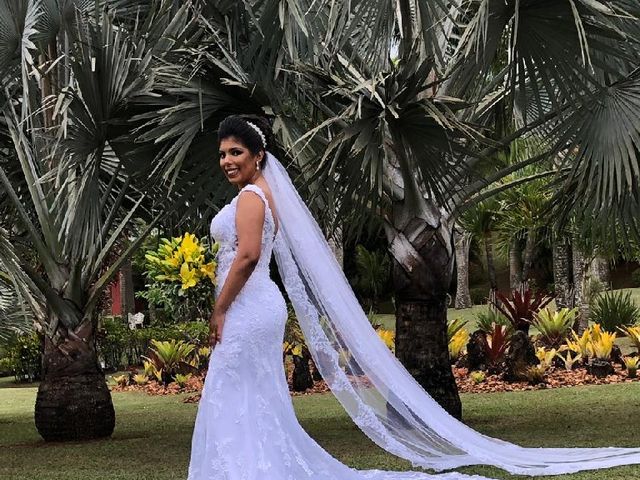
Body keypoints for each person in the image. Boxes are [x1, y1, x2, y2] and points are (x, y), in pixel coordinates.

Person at [187, 114, 640, 480]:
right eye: (223, 153)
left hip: (246, 306)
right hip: (260, 306)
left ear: (258, 155)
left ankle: (240, 468)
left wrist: (220, 308)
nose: (227, 160)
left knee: (234, 388)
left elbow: (247, 257)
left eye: (236, 152)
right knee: (253, 391)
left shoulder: (250, 197)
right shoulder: (267, 195)